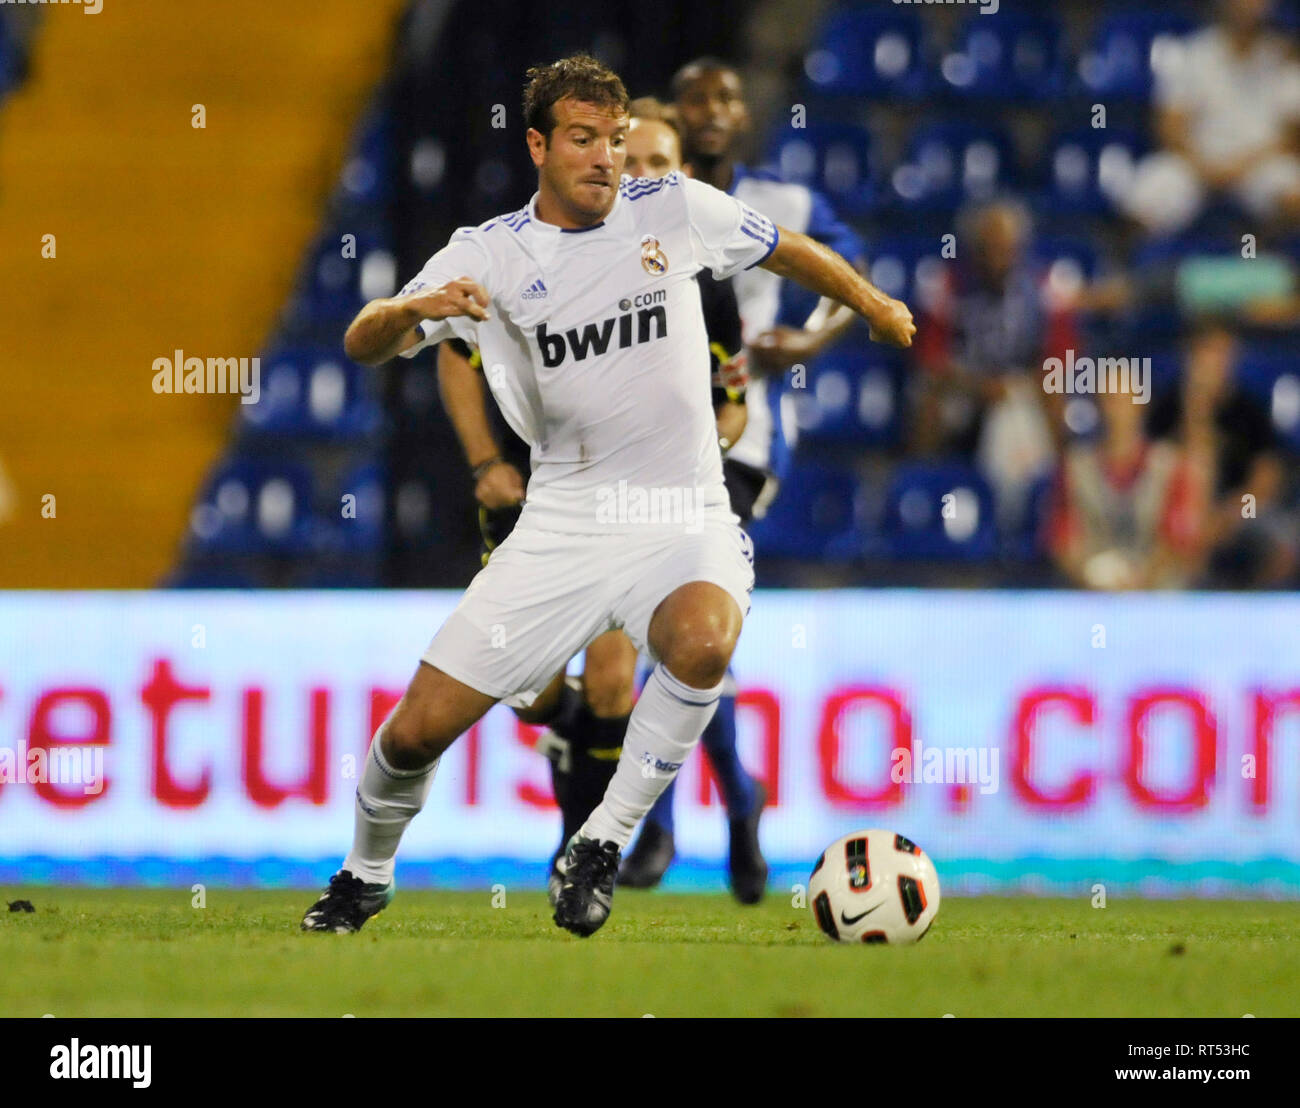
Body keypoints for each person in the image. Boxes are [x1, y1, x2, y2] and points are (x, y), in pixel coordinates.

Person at [302, 53, 914, 938]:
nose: (606, 159)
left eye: (618, 141)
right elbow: (364, 342)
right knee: (415, 733)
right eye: (585, 141)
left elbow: (788, 249)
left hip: (683, 512)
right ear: (540, 145)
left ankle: (601, 842)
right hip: (564, 523)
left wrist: (869, 300)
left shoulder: (672, 208)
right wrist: (414, 308)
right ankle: (365, 873)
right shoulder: (491, 251)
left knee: (704, 642)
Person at [433, 97, 754, 905]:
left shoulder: (695, 270)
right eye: (629, 156)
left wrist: (702, 446)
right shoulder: (518, 252)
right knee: (537, 697)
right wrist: (483, 464)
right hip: (534, 495)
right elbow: (455, 356)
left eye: (655, 163)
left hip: (641, 509)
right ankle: (569, 736)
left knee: (616, 682)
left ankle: (580, 865)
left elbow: (733, 395)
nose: (638, 174)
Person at [616, 57, 868, 892]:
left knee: (680, 613)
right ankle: (738, 799)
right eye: (696, 98)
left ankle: (658, 828)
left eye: (727, 96)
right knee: (672, 635)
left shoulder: (784, 204)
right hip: (645, 437)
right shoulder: (636, 208)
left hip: (742, 435)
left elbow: (853, 270)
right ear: (676, 118)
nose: (713, 109)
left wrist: (811, 340)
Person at [1121, 0, 1300, 236]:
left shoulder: (1285, 58)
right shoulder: (1191, 52)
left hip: (1259, 162)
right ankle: (1142, 267)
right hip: (1195, 162)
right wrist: (1204, 166)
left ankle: (1278, 262)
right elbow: (1169, 127)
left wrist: (1238, 168)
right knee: (1142, 196)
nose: (1247, 6)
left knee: (1294, 192)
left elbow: (1290, 138)